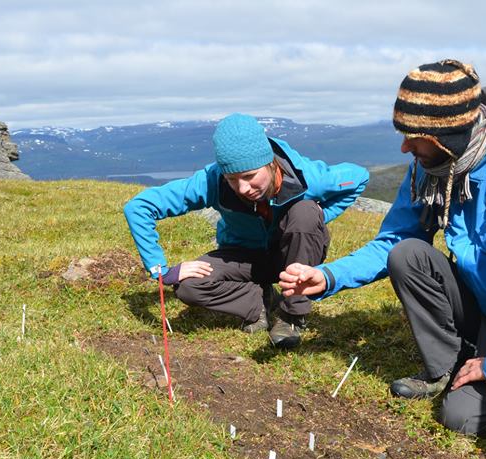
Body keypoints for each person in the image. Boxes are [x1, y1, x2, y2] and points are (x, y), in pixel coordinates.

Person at [280, 59, 486, 435]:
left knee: (461, 417)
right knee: (407, 254)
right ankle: (444, 367)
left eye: (416, 136)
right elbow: (395, 240)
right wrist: (328, 276)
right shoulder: (430, 168)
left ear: (451, 133)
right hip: (478, 298)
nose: (404, 147)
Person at [123, 113, 369, 348]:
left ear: (271, 164)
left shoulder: (307, 177)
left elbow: (359, 177)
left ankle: (292, 315)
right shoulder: (212, 180)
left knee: (304, 213)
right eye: (232, 179)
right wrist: (161, 271)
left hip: (293, 255)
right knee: (189, 286)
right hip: (242, 256)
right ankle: (258, 302)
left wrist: (322, 214)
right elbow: (139, 207)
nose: (243, 188)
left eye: (250, 176)